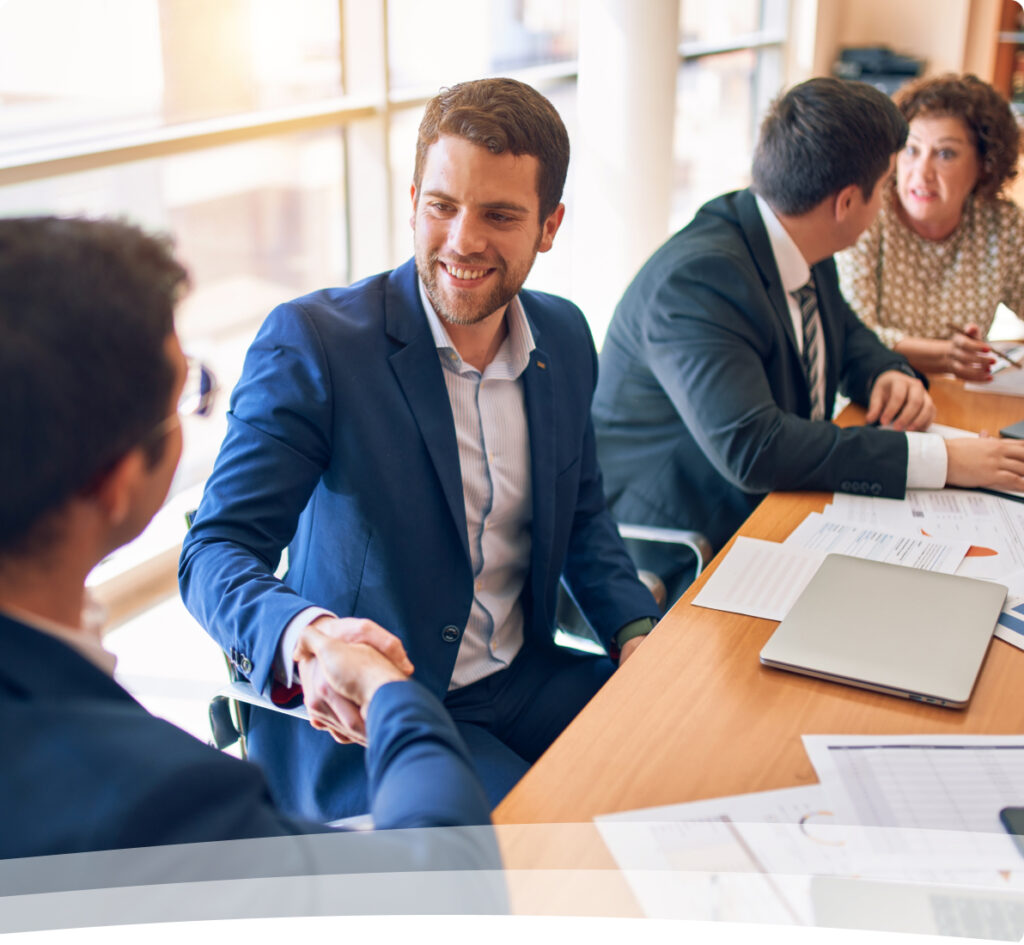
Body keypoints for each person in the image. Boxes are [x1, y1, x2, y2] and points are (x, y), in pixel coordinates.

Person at [179, 77, 660, 821]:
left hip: (525, 680)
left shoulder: (564, 336)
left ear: (549, 225)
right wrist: (312, 640)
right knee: (546, 841)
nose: (463, 240)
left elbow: (583, 514)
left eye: (499, 214)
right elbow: (215, 552)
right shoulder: (316, 344)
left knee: (686, 757)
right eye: (442, 206)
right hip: (378, 713)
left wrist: (634, 632)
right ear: (412, 202)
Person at [0, 216, 495, 860]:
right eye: (186, 394)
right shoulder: (156, 800)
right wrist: (393, 698)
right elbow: (442, 868)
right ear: (114, 480)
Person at [592, 77, 1024, 603]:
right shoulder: (699, 280)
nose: (889, 200)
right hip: (685, 542)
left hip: (775, 507)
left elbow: (845, 330)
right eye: (886, 184)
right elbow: (757, 449)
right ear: (847, 202)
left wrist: (884, 372)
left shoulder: (790, 230)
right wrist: (944, 460)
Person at [838, 73, 1024, 381]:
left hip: (960, 396)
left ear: (985, 163)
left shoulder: (1001, 224)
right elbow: (854, 335)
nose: (922, 172)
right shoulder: (869, 213)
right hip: (872, 389)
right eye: (911, 150)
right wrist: (946, 355)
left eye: (945, 154)